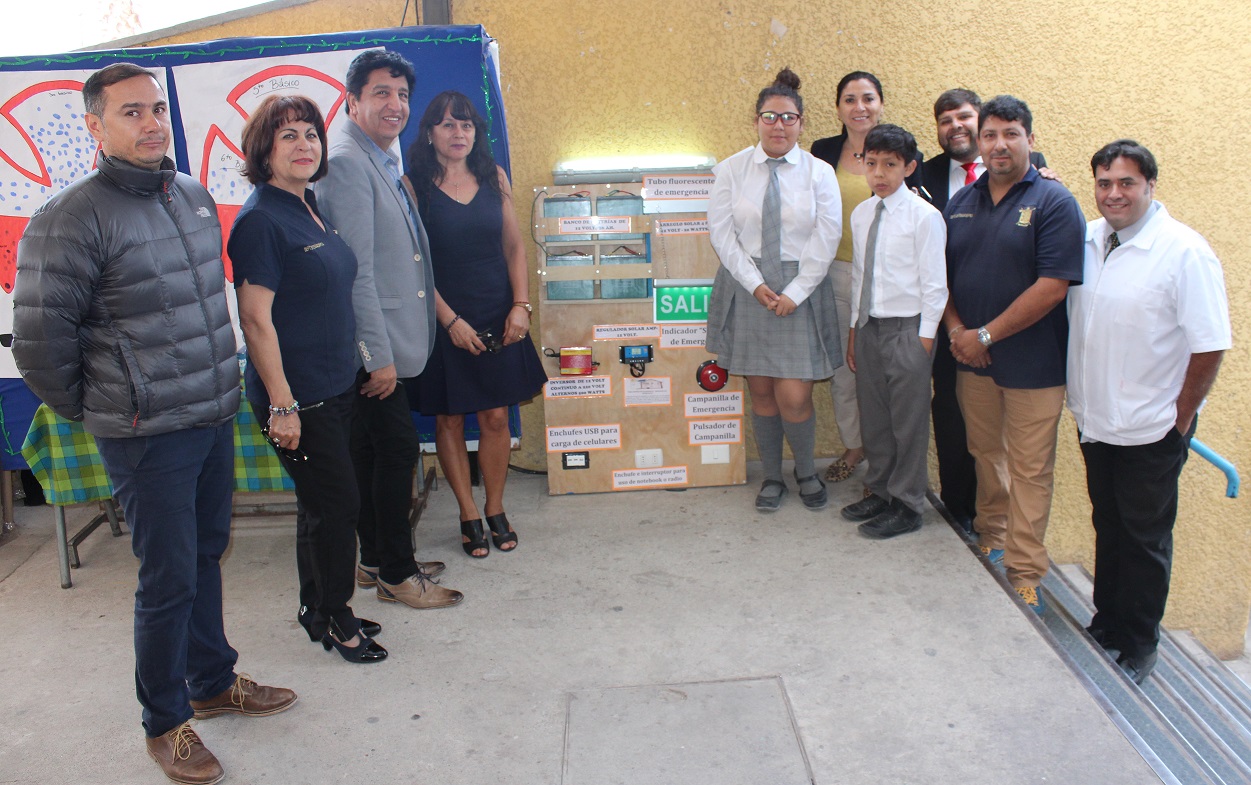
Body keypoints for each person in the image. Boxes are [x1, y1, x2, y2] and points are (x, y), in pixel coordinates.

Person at [12, 63, 295, 785]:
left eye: (157, 110)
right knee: (167, 578)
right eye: (130, 112)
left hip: (210, 413)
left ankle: (212, 680)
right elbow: (41, 344)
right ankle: (165, 722)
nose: (151, 124)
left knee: (206, 553)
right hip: (145, 432)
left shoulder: (190, 195)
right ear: (95, 126)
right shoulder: (71, 217)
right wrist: (108, 408)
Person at [229, 93, 392, 663]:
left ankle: (317, 608)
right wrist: (282, 404)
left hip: (335, 385)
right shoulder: (260, 221)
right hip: (298, 397)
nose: (305, 145)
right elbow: (255, 320)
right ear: (263, 149)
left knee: (319, 505)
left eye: (311, 134)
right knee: (339, 506)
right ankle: (339, 620)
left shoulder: (308, 205)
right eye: (288, 135)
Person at [1067, 140, 1230, 683]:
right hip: (1096, 420)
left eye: (1127, 183)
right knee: (1109, 526)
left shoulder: (1184, 252)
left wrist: (1179, 420)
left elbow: (1210, 345)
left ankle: (1139, 645)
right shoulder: (1088, 239)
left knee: (1144, 540)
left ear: (1150, 186)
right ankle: (1107, 625)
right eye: (1104, 183)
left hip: (1153, 428)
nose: (1114, 193)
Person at [316, 50, 462, 609]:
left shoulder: (376, 156)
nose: (395, 104)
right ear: (351, 101)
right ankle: (398, 575)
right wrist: (375, 355)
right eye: (381, 92)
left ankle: (377, 560)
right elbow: (355, 271)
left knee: (376, 453)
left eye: (402, 95)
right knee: (396, 452)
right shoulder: (348, 162)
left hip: (383, 339)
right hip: (372, 346)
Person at [941, 95, 1085, 614]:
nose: (999, 144)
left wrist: (985, 336)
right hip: (973, 360)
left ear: (1030, 139)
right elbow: (940, 279)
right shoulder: (961, 203)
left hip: (1034, 365)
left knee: (1030, 470)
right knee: (985, 453)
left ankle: (1025, 574)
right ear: (979, 142)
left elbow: (1053, 286)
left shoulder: (1054, 202)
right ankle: (992, 537)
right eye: (990, 135)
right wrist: (960, 333)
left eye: (1011, 134)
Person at [405, 90, 547, 557]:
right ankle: (467, 512)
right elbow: (413, 263)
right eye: (447, 124)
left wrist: (521, 306)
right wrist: (449, 322)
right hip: (443, 317)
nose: (458, 133)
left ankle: (495, 507)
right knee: (448, 418)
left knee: (495, 416)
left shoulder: (494, 177)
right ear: (429, 133)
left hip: (497, 312)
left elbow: (514, 247)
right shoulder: (412, 186)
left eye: (466, 124)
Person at [706, 67, 843, 512]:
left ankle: (805, 472)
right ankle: (771, 477)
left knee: (795, 395)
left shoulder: (820, 173)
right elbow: (722, 234)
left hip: (802, 287)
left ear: (801, 123)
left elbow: (827, 236)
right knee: (761, 391)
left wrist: (796, 292)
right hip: (748, 284)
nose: (778, 125)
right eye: (769, 117)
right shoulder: (731, 170)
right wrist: (755, 284)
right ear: (756, 121)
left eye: (788, 118)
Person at [919, 89, 1050, 532]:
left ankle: (1009, 537)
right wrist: (957, 331)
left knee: (1019, 451)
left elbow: (1049, 276)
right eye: (945, 120)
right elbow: (936, 263)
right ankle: (962, 511)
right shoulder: (925, 176)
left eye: (964, 117)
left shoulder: (1039, 180)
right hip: (953, 332)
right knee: (958, 424)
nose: (955, 126)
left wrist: (987, 335)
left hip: (1020, 341)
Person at [811, 71, 922, 484]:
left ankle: (888, 463)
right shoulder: (823, 151)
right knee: (845, 370)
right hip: (835, 275)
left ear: (880, 104)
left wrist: (1039, 166)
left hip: (890, 283)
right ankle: (855, 446)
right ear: (838, 107)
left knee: (887, 380)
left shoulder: (903, 151)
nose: (859, 107)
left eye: (868, 98)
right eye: (850, 99)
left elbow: (923, 210)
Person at [839, 124, 947, 539]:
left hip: (908, 330)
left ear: (909, 167)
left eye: (890, 164)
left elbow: (935, 285)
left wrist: (924, 340)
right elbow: (859, 277)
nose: (879, 173)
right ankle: (880, 490)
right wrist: (855, 329)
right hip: (869, 327)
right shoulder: (862, 214)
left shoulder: (925, 216)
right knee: (876, 418)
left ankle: (908, 503)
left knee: (908, 422)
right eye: (872, 164)